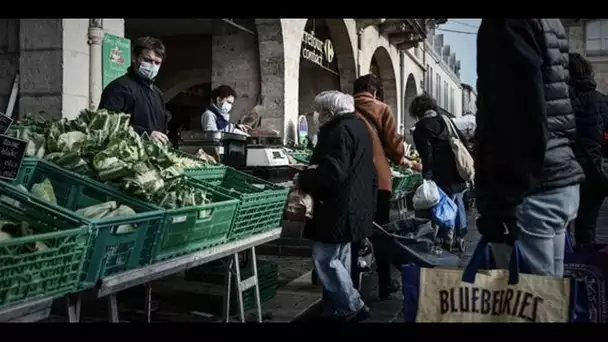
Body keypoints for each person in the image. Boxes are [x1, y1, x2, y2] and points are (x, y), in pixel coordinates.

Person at [476, 19, 585, 277]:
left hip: (532, 187)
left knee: (528, 304)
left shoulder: (506, 23)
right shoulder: (549, 21)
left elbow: (519, 114)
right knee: (547, 299)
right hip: (558, 175)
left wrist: (504, 202)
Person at [296, 90, 376, 322]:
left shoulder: (337, 131)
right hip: (353, 205)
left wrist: (304, 179)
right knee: (340, 259)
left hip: (337, 207)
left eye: (318, 111)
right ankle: (336, 309)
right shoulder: (358, 127)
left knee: (325, 259)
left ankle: (352, 304)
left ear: (329, 113)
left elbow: (333, 173)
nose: (316, 116)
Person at [353, 73, 409, 299]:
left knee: (354, 232)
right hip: (379, 179)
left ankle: (352, 285)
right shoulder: (382, 108)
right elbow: (395, 147)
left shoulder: (346, 108)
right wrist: (399, 156)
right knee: (381, 231)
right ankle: (385, 283)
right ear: (374, 92)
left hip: (354, 180)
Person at [409, 93, 469, 251]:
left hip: (438, 174)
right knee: (454, 202)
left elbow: (426, 155)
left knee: (442, 207)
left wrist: (427, 177)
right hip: (456, 172)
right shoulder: (446, 121)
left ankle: (444, 238)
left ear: (417, 111)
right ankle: (458, 235)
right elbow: (463, 140)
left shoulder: (420, 129)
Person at [99, 36, 170, 145]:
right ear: (134, 57)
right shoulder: (118, 88)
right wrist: (145, 134)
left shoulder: (157, 94)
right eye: (147, 60)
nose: (152, 66)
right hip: (126, 156)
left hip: (154, 157)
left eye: (157, 63)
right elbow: (107, 125)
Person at [569, 52, 608, 245]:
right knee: (587, 229)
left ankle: (561, 271)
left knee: (560, 231)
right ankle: (585, 272)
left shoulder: (557, 102)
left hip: (563, 174)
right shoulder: (602, 101)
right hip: (593, 173)